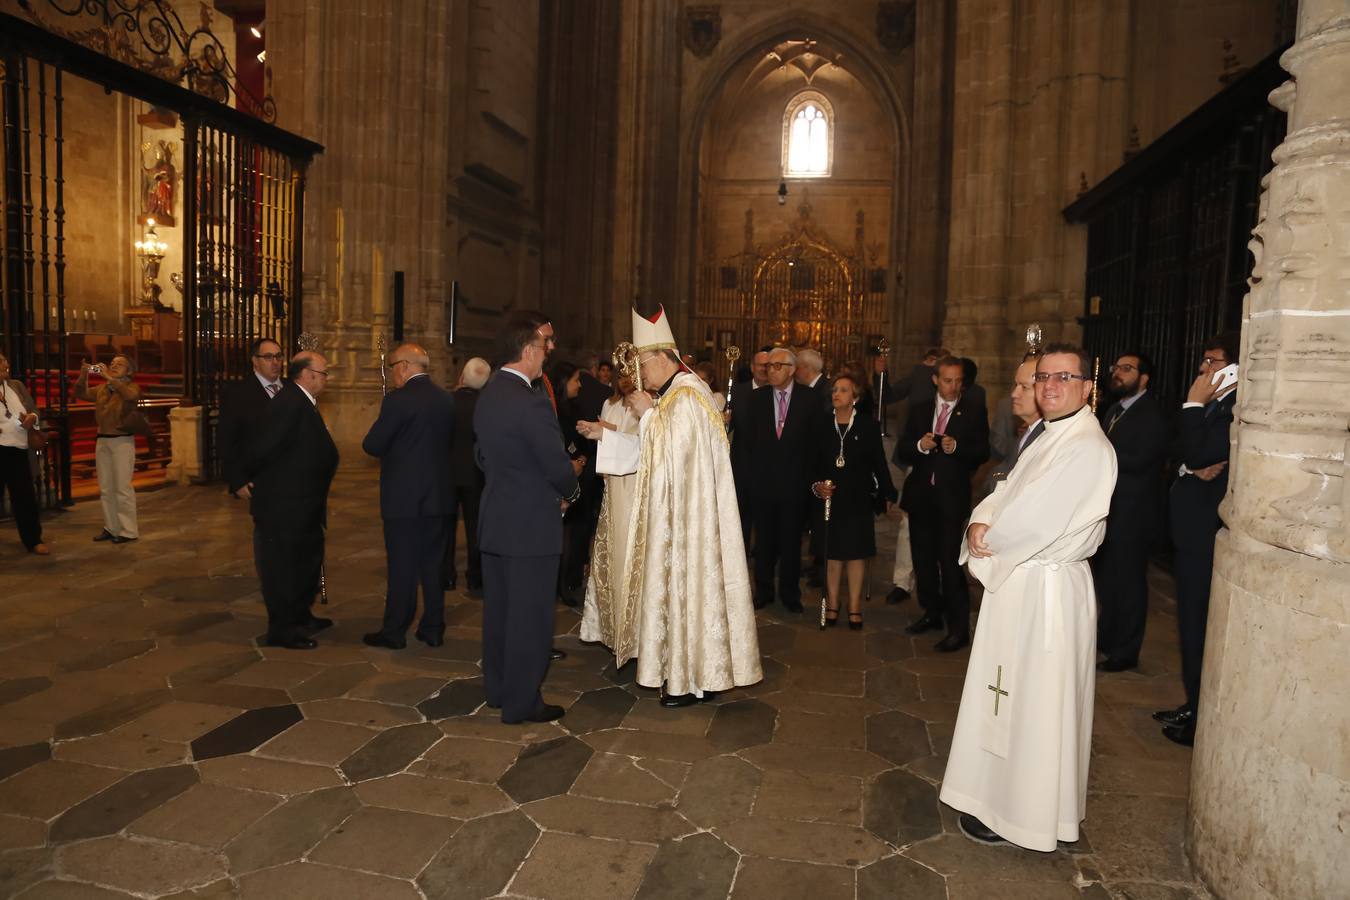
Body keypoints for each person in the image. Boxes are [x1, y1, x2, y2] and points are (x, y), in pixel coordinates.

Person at [941, 343, 1117, 851]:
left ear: (1087, 386)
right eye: (1043, 377)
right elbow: (1007, 490)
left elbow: (1036, 518)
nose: (1049, 386)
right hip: (1022, 583)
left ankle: (1026, 814)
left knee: (1036, 703)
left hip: (1046, 592)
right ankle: (997, 797)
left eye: (1064, 377)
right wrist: (980, 517)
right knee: (1007, 697)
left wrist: (987, 539)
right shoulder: (1049, 434)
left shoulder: (1086, 446)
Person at [576, 305, 761, 707]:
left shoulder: (687, 397)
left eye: (643, 364)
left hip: (690, 525)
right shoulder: (676, 396)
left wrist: (646, 417)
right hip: (682, 518)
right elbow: (654, 452)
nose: (640, 374)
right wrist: (619, 432)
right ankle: (692, 677)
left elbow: (674, 453)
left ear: (662, 358)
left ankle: (693, 680)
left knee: (691, 594)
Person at [475, 311, 578, 724]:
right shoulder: (530, 400)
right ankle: (522, 703)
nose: (548, 353)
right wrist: (570, 491)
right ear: (528, 350)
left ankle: (500, 690)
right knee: (530, 618)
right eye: (544, 347)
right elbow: (555, 463)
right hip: (531, 524)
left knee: (499, 614)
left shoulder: (489, 392)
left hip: (497, 518)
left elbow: (481, 455)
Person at [1155, 333, 1239, 747]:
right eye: (1203, 360)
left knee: (1200, 624)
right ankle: (1193, 702)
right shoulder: (1214, 408)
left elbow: (1204, 453)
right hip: (1189, 533)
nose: (1205, 369)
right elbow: (1180, 448)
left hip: (1206, 535)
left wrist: (1192, 404)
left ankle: (1202, 716)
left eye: (1214, 361)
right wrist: (1190, 463)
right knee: (1189, 625)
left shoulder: (1234, 408)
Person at [362, 343, 457, 650]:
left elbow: (372, 444)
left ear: (403, 366)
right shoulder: (446, 399)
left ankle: (394, 631)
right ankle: (433, 628)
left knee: (402, 567)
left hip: (404, 500)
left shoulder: (398, 401)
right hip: (439, 498)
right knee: (432, 565)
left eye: (392, 367)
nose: (391, 374)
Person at [242, 351, 339, 650]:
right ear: (307, 375)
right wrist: (258, 481)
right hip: (285, 506)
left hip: (303, 504)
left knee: (305, 564)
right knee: (283, 569)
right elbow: (261, 448)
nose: (326, 378)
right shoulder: (289, 403)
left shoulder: (302, 402)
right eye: (323, 373)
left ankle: (301, 616)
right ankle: (282, 630)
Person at [895, 356, 990, 650]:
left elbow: (982, 451)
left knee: (949, 563)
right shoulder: (921, 409)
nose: (953, 386)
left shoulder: (973, 410)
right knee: (923, 561)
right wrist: (921, 446)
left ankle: (959, 628)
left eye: (958, 380)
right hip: (921, 497)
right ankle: (931, 612)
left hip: (951, 499)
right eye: (947, 380)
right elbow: (903, 449)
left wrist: (957, 447)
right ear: (935, 379)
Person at [1094, 351, 1169, 673]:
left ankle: (1126, 650)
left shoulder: (1153, 414)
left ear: (1144, 378)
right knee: (1107, 580)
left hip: (1134, 514)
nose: (1118, 373)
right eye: (1117, 367)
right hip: (1110, 510)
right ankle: (1107, 639)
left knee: (1128, 584)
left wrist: (1101, 452)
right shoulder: (1113, 409)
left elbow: (1141, 459)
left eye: (1127, 369)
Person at [809, 374, 895, 629]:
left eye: (844, 390)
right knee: (833, 554)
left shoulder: (868, 425)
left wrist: (888, 492)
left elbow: (879, 463)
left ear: (855, 398)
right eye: (835, 390)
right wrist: (816, 486)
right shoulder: (822, 425)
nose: (836, 394)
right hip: (830, 499)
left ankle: (855, 605)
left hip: (857, 499)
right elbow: (811, 463)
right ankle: (833, 602)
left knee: (857, 554)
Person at [745, 346, 822, 612]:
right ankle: (763, 590)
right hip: (763, 485)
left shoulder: (810, 399)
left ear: (791, 370)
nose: (771, 371)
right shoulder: (756, 399)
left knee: (791, 543)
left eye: (777, 366)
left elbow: (816, 446)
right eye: (769, 367)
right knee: (763, 542)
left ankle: (790, 594)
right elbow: (746, 444)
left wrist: (811, 482)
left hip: (795, 485)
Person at [579, 371, 641, 648]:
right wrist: (599, 432)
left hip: (635, 488)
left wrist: (607, 431)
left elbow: (643, 443)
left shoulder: (647, 405)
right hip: (614, 485)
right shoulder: (611, 403)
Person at [75, 355, 142, 544]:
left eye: (119, 364)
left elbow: (131, 396)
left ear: (129, 371)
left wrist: (108, 377)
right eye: (112, 364)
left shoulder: (131, 387)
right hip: (103, 440)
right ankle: (111, 527)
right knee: (106, 488)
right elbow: (80, 393)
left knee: (122, 488)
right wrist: (84, 373)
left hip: (122, 441)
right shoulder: (103, 389)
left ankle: (128, 531)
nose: (113, 366)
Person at [219, 338, 285, 500]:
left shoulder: (292, 388)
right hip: (257, 480)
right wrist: (237, 480)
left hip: (291, 478)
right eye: (268, 357)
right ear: (255, 361)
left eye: (278, 356)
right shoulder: (237, 393)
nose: (275, 362)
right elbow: (227, 440)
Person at [445, 356, 490, 593]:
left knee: (446, 527)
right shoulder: (486, 405)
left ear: (462, 376)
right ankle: (475, 578)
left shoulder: (447, 401)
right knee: (475, 528)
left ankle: (446, 576)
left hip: (448, 474)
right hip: (476, 475)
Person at [0, 353, 48, 555]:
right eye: (0, 361)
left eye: (5, 360)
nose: (6, 364)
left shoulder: (16, 386)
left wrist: (32, 418)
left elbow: (34, 409)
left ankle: (33, 540)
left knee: (25, 497)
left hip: (18, 449)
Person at [727, 348, 770, 546]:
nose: (765, 368)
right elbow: (728, 429)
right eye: (761, 364)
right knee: (741, 519)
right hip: (742, 466)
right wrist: (725, 421)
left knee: (765, 522)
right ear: (753, 367)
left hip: (769, 469)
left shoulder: (777, 393)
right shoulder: (737, 391)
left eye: (769, 365)